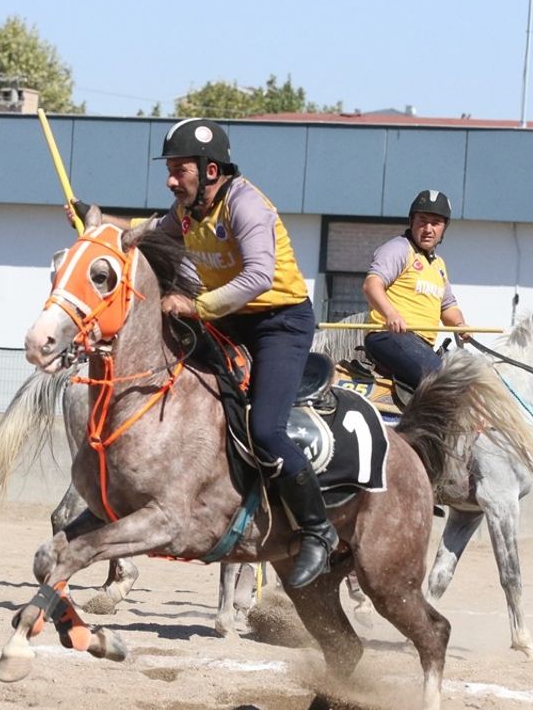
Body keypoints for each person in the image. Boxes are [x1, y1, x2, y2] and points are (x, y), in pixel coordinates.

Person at [67, 118, 335, 588]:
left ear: (211, 169)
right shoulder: (187, 210)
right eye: (169, 170)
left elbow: (259, 279)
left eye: (179, 169)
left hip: (279, 323)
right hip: (227, 317)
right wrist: (96, 219)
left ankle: (318, 530)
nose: (171, 180)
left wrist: (194, 305)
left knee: (267, 429)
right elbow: (145, 233)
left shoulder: (247, 206)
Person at [361, 189, 469, 390]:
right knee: (442, 382)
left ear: (444, 228)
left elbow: (448, 308)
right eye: (422, 220)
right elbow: (372, 285)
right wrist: (390, 314)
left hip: (419, 346)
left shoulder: (439, 266)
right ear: (411, 221)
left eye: (435, 223)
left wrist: (460, 324)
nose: (428, 228)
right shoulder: (398, 249)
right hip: (389, 336)